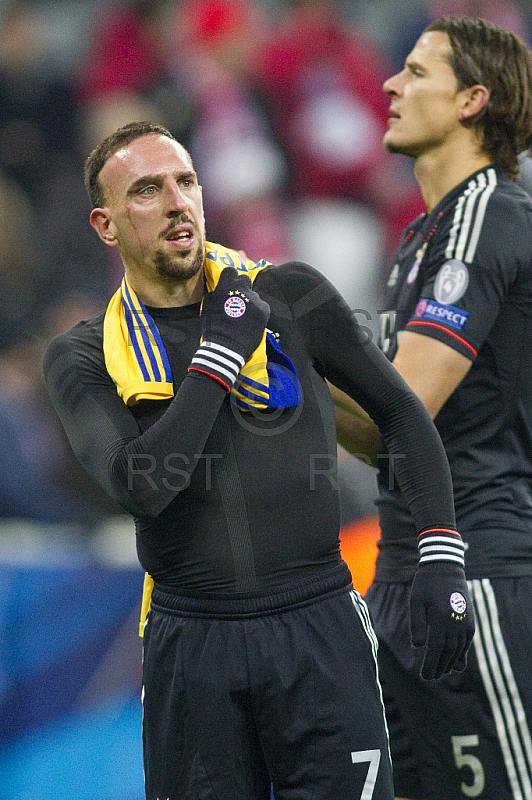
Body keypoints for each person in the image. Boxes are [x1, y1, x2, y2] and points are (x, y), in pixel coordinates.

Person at [43, 120, 474, 800]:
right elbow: (142, 486)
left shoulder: (289, 295)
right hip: (193, 646)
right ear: (106, 224)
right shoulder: (85, 354)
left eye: (185, 181)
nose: (177, 201)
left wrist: (442, 551)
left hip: (319, 625)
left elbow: (401, 416)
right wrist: (219, 355)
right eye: (148, 190)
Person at [331, 16, 532, 800]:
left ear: (472, 101)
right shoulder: (423, 238)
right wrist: (287, 367)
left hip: (474, 570)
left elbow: (404, 403)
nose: (390, 84)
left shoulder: (488, 214)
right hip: (406, 574)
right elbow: (387, 440)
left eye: (417, 73)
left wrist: (310, 337)